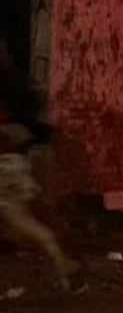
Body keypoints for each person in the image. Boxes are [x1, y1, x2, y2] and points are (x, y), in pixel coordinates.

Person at [0, 45, 85, 293]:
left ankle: (63, 258)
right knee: (25, 217)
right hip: (12, 159)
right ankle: (64, 258)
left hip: (7, 162)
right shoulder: (16, 84)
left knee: (20, 221)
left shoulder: (8, 85)